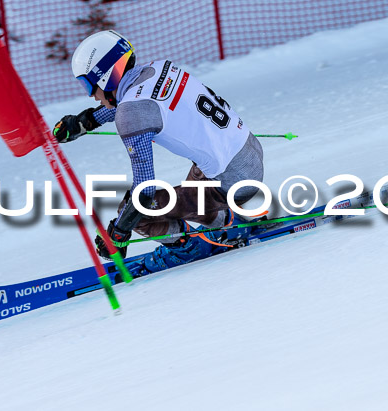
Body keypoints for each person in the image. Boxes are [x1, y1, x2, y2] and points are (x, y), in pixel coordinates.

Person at [53, 30, 264, 273]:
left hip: (232, 182)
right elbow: (139, 106)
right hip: (248, 152)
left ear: (105, 77)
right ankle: (225, 225)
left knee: (134, 212)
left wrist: (119, 233)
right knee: (191, 189)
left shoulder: (131, 112)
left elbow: (144, 191)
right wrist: (86, 121)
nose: (91, 96)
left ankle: (190, 248)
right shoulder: (158, 69)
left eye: (88, 85)